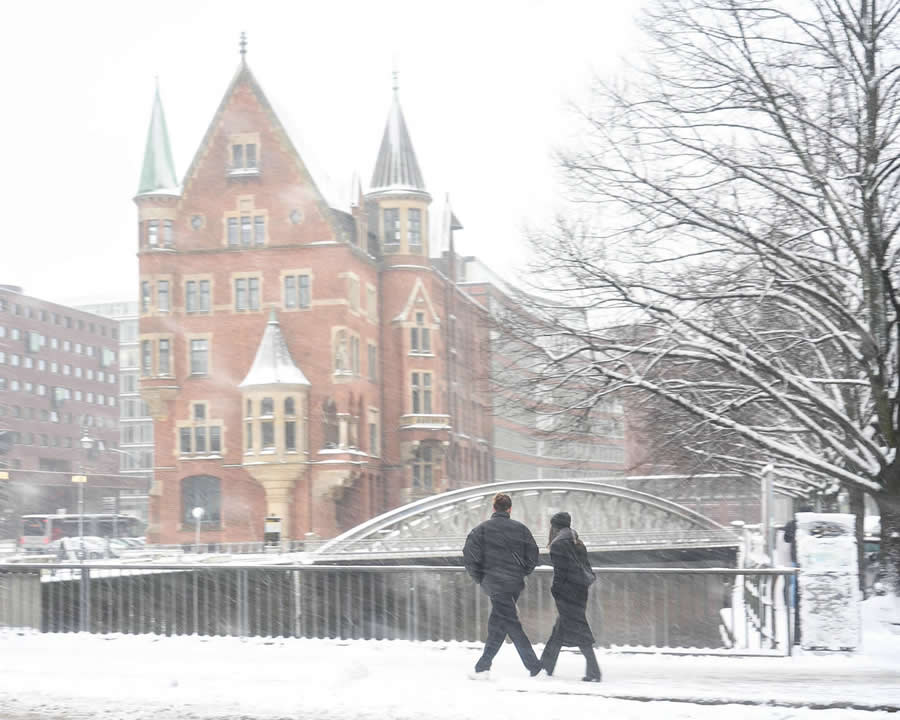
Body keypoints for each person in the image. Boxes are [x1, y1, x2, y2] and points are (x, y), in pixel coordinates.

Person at [463, 492, 543, 678]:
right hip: (514, 583)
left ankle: (534, 666)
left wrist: (480, 578)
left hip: (494, 584)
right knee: (499, 623)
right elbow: (533, 554)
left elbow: (469, 556)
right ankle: (483, 666)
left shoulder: (481, 530)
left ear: (494, 508)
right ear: (509, 509)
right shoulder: (520, 529)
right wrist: (522, 572)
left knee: (509, 623)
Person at [539, 511, 602, 682]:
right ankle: (545, 666)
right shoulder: (577, 542)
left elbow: (561, 573)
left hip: (567, 593)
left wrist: (555, 590)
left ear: (555, 526)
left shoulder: (558, 544)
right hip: (581, 591)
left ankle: (594, 671)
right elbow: (585, 567)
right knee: (561, 628)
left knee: (579, 628)